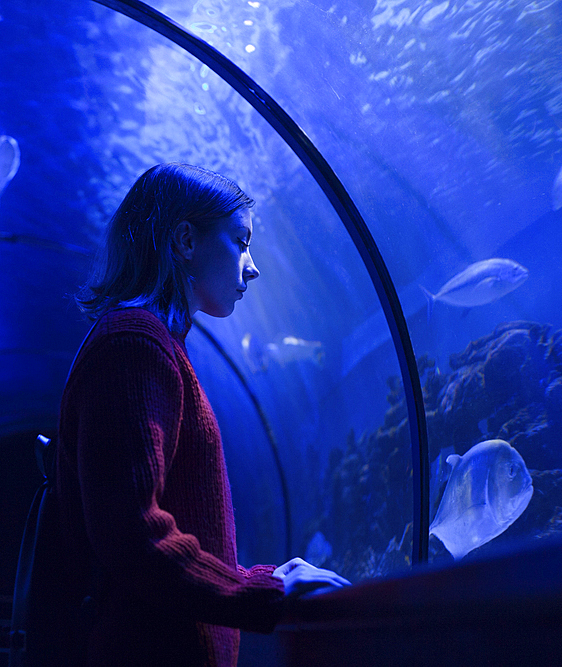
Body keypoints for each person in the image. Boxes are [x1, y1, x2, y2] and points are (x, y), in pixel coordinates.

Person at [51, 163, 349, 667]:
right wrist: (264, 590)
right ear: (185, 240)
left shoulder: (155, 345)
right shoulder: (134, 345)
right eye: (240, 241)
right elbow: (133, 536)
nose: (251, 267)